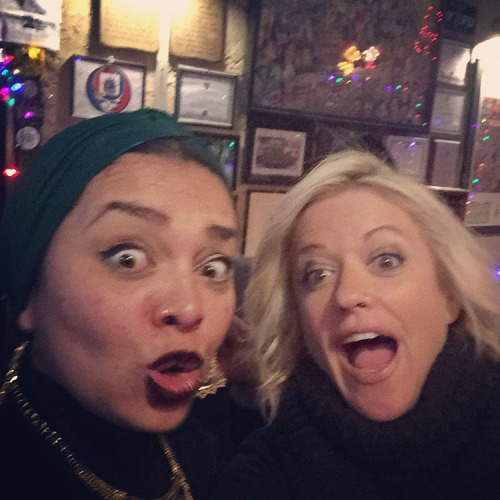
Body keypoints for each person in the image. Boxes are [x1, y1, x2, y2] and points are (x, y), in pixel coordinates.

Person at [215, 150, 500, 499]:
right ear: (299, 323)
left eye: (386, 260)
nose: (347, 294)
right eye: (317, 274)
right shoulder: (260, 476)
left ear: (449, 295)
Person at [0, 108, 242, 499]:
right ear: (30, 285)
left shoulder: (214, 440)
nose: (189, 309)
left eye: (214, 267)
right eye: (127, 258)